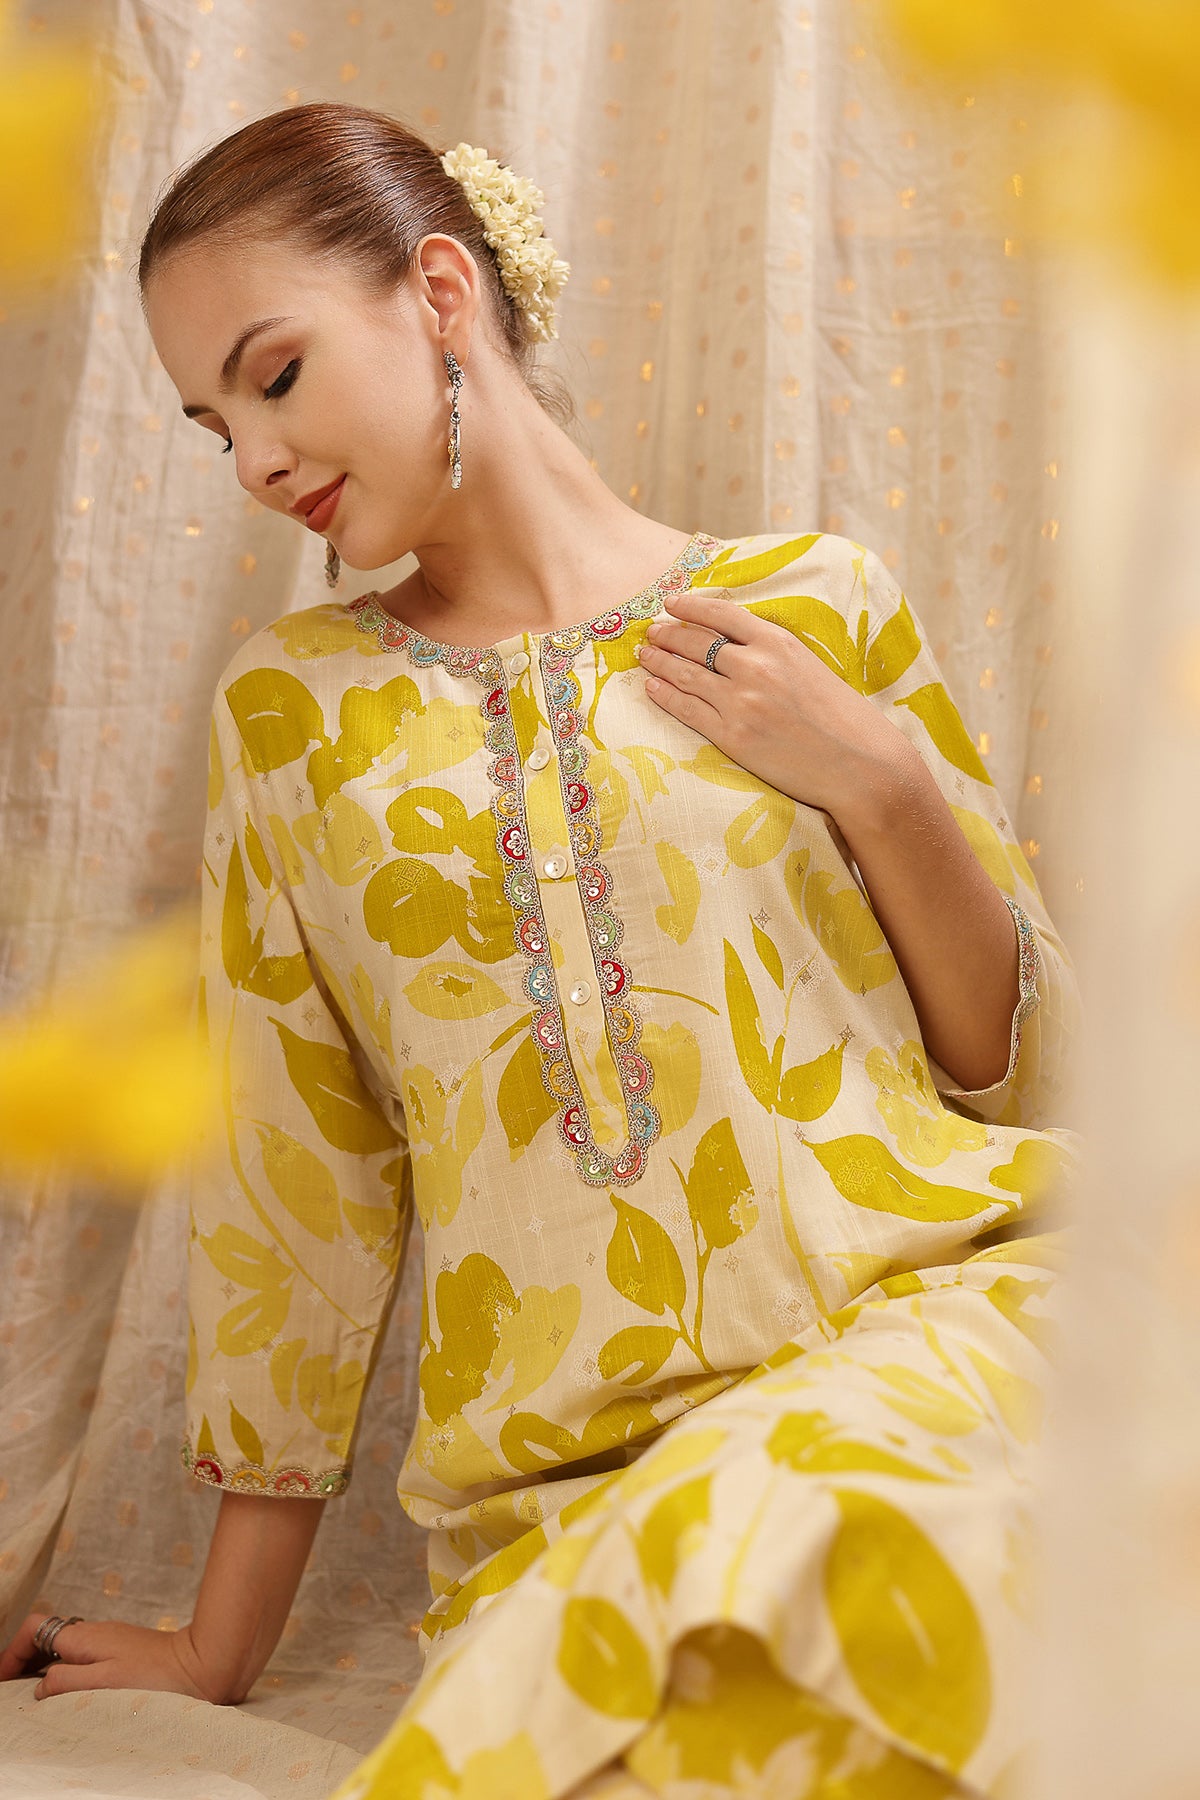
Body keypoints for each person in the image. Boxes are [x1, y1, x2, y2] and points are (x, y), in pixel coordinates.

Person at [1, 101, 1082, 1799]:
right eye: (214, 426)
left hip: (932, 1361)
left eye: (274, 377)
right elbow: (297, 1180)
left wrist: (881, 780)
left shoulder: (812, 604)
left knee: (875, 1549)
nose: (256, 462)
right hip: (569, 1492)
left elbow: (1020, 1074)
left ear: (441, 291)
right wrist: (221, 1648)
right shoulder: (293, 715)